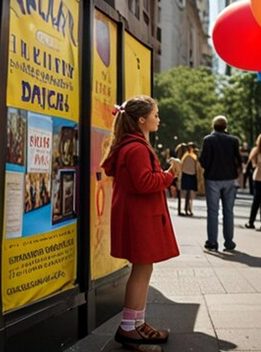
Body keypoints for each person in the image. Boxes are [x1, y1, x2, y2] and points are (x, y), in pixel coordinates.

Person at [100, 95, 181, 346]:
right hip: (139, 217)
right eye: (155, 115)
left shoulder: (132, 145)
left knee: (143, 268)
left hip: (137, 214)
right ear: (142, 119)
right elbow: (144, 182)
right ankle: (129, 326)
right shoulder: (135, 148)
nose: (158, 119)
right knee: (142, 268)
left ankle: (136, 323)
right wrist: (169, 175)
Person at [200, 115, 243, 251]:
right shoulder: (233, 140)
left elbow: (204, 161)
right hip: (230, 179)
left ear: (213, 126)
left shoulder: (208, 140)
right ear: (226, 126)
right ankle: (229, 242)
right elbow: (239, 160)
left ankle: (212, 242)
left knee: (213, 211)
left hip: (212, 179)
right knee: (228, 211)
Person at [179, 143, 199, 216]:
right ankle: (184, 209)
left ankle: (189, 208)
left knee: (190, 194)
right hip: (187, 174)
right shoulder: (187, 156)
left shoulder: (193, 156)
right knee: (185, 193)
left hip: (191, 175)